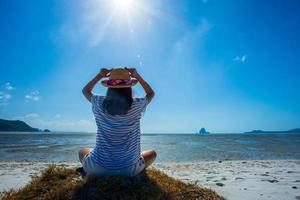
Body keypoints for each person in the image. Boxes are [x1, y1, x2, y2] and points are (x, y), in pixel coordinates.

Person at [79, 67, 156, 177]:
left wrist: (100, 75)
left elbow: (85, 91)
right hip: (128, 170)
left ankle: (88, 169)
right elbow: (151, 93)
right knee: (153, 153)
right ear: (129, 87)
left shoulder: (98, 102)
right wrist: (137, 75)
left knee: (82, 151)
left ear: (109, 88)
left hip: (97, 168)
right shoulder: (137, 104)